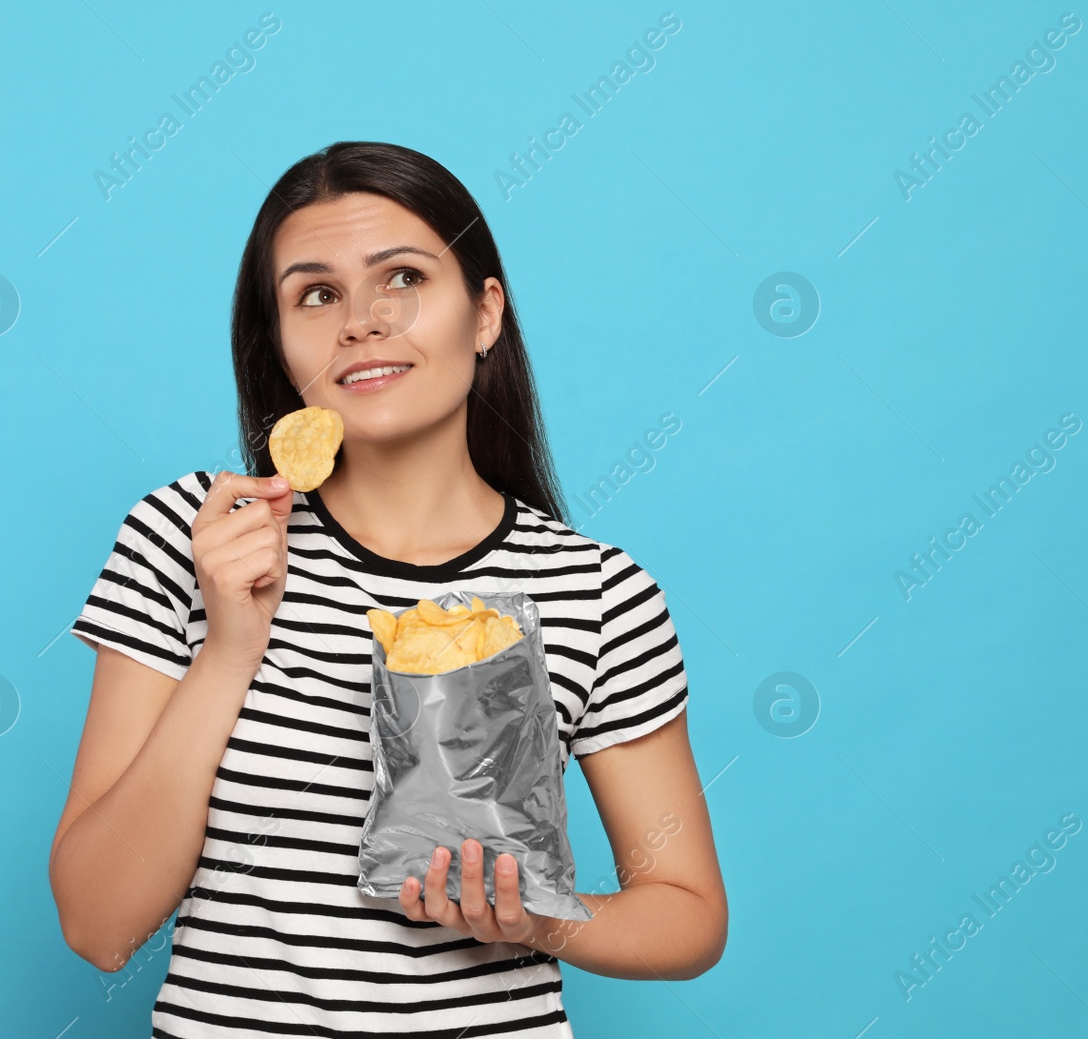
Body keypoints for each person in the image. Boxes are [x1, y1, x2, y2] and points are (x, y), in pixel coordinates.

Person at [48, 141, 727, 1036]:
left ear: (485, 314)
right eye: (316, 294)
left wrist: (542, 919)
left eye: (402, 277)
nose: (360, 322)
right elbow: (99, 925)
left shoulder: (597, 590)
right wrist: (228, 649)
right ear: (281, 342)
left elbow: (687, 913)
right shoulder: (196, 536)